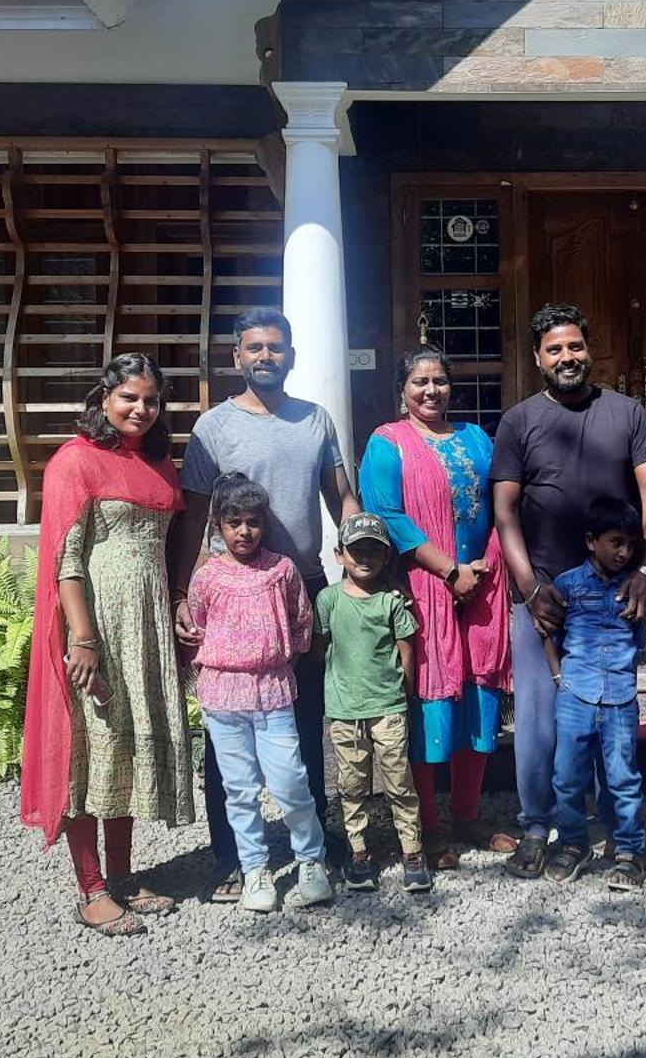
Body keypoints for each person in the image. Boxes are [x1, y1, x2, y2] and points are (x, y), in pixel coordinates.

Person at [176, 307, 358, 899]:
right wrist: (184, 591)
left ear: (291, 356)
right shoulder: (214, 428)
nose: (265, 357)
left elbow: (342, 499)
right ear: (237, 357)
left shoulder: (315, 420)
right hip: (228, 593)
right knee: (226, 727)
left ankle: (315, 841)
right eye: (253, 348)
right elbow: (193, 517)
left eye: (275, 348)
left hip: (298, 585)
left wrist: (359, 562)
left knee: (304, 719)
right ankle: (233, 854)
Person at [491, 303, 646, 880]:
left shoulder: (626, 413)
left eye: (574, 346)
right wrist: (527, 587)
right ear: (537, 358)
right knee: (543, 722)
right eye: (554, 349)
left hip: (614, 596)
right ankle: (540, 828)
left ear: (589, 350)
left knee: (612, 718)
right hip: (544, 593)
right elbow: (505, 509)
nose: (566, 357)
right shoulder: (520, 420)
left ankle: (617, 836)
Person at [20, 354, 196, 937]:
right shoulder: (75, 460)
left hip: (145, 628)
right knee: (89, 750)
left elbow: (167, 550)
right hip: (99, 626)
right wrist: (84, 637)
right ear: (103, 400)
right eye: (129, 398)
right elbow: (67, 561)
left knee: (123, 748)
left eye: (151, 401)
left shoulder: (158, 462)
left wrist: (175, 602)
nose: (141, 410)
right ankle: (90, 887)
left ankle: (122, 877)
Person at [357, 345, 510, 868]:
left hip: (483, 585)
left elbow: (501, 502)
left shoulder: (476, 438)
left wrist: (484, 566)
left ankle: (468, 817)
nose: (431, 391)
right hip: (425, 588)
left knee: (479, 699)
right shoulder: (386, 443)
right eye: (420, 382)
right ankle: (427, 827)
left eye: (440, 381)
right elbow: (388, 517)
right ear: (402, 391)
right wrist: (449, 570)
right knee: (429, 704)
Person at [186, 472, 334, 915]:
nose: (244, 531)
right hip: (224, 693)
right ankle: (254, 870)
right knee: (240, 788)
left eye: (252, 521)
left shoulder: (282, 571)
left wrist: (280, 651)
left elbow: (302, 622)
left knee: (291, 780)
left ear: (264, 524)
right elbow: (199, 625)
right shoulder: (207, 578)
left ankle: (311, 860)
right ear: (218, 526)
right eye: (234, 523)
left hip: (273, 688)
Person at [314, 512, 429, 894]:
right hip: (345, 710)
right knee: (351, 784)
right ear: (339, 554)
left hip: (388, 707)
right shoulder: (328, 600)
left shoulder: (391, 602)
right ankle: (359, 851)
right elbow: (321, 648)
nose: (365, 557)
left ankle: (412, 850)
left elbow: (405, 649)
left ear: (386, 557)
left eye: (374, 551)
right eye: (356, 549)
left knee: (399, 781)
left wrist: (405, 695)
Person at [544, 496, 646, 892]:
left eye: (630, 544)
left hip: (621, 697)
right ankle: (574, 844)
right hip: (575, 694)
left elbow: (638, 638)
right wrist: (560, 678)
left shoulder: (635, 588)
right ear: (592, 541)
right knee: (567, 776)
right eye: (615, 542)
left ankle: (629, 850)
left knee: (623, 777)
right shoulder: (568, 584)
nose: (624, 552)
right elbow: (549, 634)